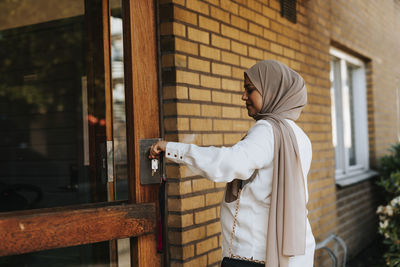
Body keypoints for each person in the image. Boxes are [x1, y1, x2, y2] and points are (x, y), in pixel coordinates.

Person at [150, 60, 315, 267]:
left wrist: (172, 149)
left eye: (250, 89)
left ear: (272, 91)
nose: (243, 96)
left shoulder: (268, 130)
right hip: (295, 251)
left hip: (253, 255)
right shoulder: (299, 135)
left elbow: (227, 163)